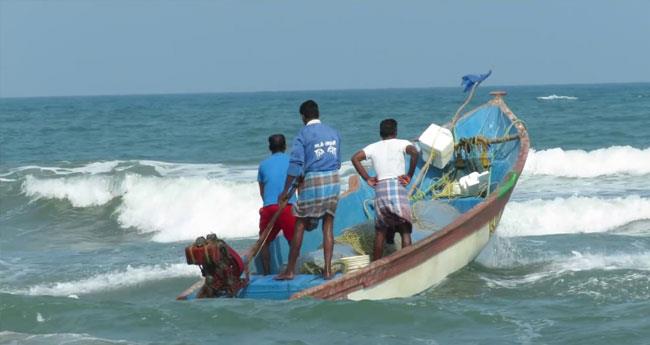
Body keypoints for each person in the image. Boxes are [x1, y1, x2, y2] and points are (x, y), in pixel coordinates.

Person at [275, 100, 341, 280]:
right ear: (318, 114)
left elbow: (296, 165)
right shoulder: (334, 133)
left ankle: (289, 271)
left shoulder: (302, 135)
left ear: (303, 117)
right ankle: (327, 270)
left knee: (300, 224)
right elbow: (338, 161)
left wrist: (285, 191)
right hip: (334, 179)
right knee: (328, 223)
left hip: (314, 180)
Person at [351, 118, 418, 260]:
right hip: (397, 185)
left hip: (380, 188)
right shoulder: (402, 143)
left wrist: (367, 178)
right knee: (405, 230)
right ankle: (406, 262)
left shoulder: (373, 147)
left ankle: (376, 266)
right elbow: (414, 153)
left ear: (380, 133)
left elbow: (355, 158)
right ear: (395, 132)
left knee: (380, 231)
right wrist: (409, 175)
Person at [257, 134, 297, 275]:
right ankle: (292, 271)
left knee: (264, 242)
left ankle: (266, 273)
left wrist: (270, 205)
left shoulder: (263, 165)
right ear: (285, 146)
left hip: (269, 207)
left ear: (270, 148)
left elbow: (262, 192)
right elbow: (299, 184)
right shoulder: (293, 162)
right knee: (293, 241)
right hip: (287, 207)